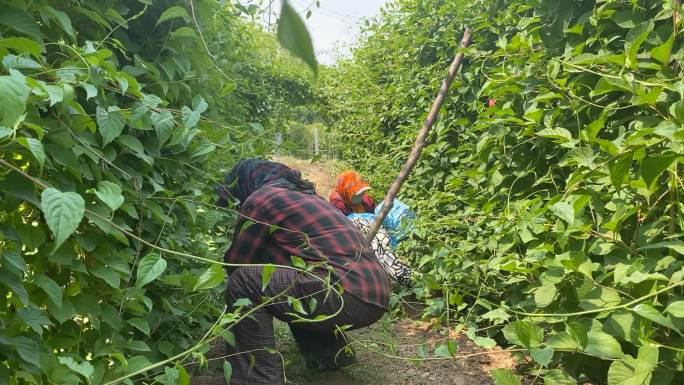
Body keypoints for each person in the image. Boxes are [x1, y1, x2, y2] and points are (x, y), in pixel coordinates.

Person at [215, 159, 390, 385]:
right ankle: (330, 365)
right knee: (294, 278)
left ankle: (257, 379)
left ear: (245, 184)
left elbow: (237, 264)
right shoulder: (310, 199)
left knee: (244, 281)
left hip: (343, 294)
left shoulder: (260, 199)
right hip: (374, 292)